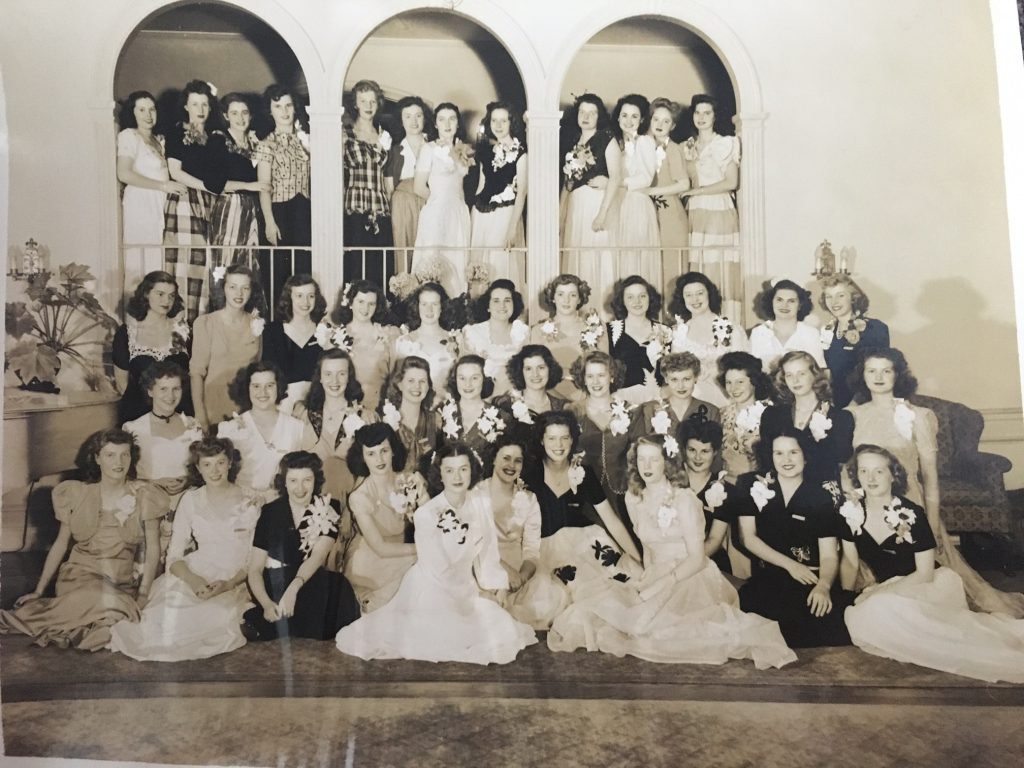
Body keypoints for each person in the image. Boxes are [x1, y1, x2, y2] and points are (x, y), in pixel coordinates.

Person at [548, 434, 796, 669]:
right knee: (597, 611)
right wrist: (647, 577)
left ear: (666, 462)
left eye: (654, 459)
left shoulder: (684, 499)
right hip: (656, 571)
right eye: (641, 459)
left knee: (657, 630)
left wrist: (663, 584)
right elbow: (647, 547)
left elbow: (697, 559)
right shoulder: (634, 499)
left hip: (688, 575)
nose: (647, 465)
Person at [845, 348, 1024, 617]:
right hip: (867, 505)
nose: (878, 377)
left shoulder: (918, 415)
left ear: (898, 375)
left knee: (926, 573)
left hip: (909, 503)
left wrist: (931, 520)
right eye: (872, 370)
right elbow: (845, 468)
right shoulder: (852, 416)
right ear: (863, 375)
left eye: (886, 370)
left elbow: (929, 475)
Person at [335, 443, 537, 664]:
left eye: (463, 469)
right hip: (433, 589)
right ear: (439, 474)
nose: (457, 477)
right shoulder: (427, 514)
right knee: (449, 636)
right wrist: (475, 593)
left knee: (504, 629)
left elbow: (487, 550)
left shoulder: (480, 502)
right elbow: (437, 570)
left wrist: (495, 586)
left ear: (473, 470)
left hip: (465, 585)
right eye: (449, 470)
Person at [840, 445, 1024, 683]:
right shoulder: (851, 514)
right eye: (864, 471)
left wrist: (879, 593)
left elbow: (925, 573)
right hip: (889, 591)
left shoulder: (912, 512)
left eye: (879, 471)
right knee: (859, 616)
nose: (871, 478)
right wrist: (845, 596)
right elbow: (849, 561)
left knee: (879, 611)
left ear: (893, 475)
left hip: (929, 584)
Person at [0, 429, 168, 650]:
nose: (118, 462)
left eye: (124, 455)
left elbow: (153, 548)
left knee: (117, 610)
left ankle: (77, 623)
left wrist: (144, 593)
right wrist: (39, 590)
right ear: (97, 459)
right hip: (80, 576)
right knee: (107, 603)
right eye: (110, 455)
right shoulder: (78, 494)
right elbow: (60, 544)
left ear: (131, 458)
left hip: (120, 583)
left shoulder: (145, 496)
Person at [108, 436, 261, 661]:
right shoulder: (191, 499)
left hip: (235, 579)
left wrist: (229, 584)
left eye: (220, 462)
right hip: (195, 572)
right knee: (161, 620)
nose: (214, 470)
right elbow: (175, 557)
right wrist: (194, 581)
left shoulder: (250, 499)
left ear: (230, 463)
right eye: (207, 465)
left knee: (214, 618)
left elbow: (254, 558)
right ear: (198, 468)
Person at [736, 431, 853, 648]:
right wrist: (790, 565)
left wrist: (824, 586)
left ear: (805, 456)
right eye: (778, 453)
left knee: (819, 629)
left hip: (810, 578)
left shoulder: (821, 495)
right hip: (770, 578)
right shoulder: (752, 485)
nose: (786, 460)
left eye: (793, 452)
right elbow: (748, 538)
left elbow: (829, 554)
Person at [243, 451, 360, 641]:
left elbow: (317, 557)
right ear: (284, 482)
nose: (300, 488)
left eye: (307, 480)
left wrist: (294, 589)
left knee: (338, 586)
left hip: (309, 578)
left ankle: (278, 625)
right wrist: (265, 603)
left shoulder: (329, 507)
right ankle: (269, 617)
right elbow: (255, 569)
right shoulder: (270, 512)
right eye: (293, 481)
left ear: (316, 480)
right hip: (277, 582)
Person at [461, 433, 544, 626]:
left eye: (518, 460)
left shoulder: (529, 499)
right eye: (506, 458)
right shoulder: (475, 495)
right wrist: (505, 573)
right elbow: (473, 543)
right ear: (494, 459)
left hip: (517, 570)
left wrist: (521, 577)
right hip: (480, 564)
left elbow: (532, 550)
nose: (511, 465)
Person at [163, 80, 227, 321]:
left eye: (205, 104)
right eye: (195, 104)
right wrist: (206, 187)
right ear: (186, 107)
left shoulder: (214, 136)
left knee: (208, 265)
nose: (200, 109)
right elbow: (175, 171)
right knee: (185, 265)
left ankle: (200, 327)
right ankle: (180, 326)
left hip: (208, 203)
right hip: (185, 201)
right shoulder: (177, 131)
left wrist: (211, 190)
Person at [343, 424, 423, 612]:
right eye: (371, 454)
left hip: (402, 552)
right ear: (362, 458)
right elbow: (380, 548)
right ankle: (371, 604)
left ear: (393, 451)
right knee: (420, 570)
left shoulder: (408, 481)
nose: (379, 459)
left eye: (384, 451)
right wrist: (423, 550)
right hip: (372, 560)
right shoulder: (360, 496)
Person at [679, 94, 741, 321]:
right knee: (698, 265)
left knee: (717, 265)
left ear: (715, 116)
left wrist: (696, 192)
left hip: (717, 209)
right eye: (697, 112)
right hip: (694, 211)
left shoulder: (724, 143)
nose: (702, 117)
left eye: (707, 113)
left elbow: (731, 182)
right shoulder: (688, 145)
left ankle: (723, 323)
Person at [117, 91, 185, 288]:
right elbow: (124, 174)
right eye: (142, 110)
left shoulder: (158, 141)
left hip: (158, 205)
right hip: (140, 204)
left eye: (152, 109)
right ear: (133, 113)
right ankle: (135, 316)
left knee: (157, 262)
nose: (148, 115)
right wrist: (163, 186)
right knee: (140, 262)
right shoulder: (129, 136)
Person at [560, 94, 619, 317]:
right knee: (577, 255)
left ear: (599, 116)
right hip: (577, 205)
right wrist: (560, 213)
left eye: (592, 113)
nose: (586, 117)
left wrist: (602, 214)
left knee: (597, 255)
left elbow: (615, 178)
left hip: (596, 204)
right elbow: (568, 184)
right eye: (582, 112)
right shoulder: (573, 142)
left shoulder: (606, 138)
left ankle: (600, 316)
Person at [760, 350, 853, 485]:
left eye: (801, 374)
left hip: (822, 493)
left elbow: (841, 459)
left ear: (815, 375)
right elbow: (767, 460)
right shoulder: (772, 415)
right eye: (789, 375)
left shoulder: (840, 417)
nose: (795, 380)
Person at [567, 351, 637, 529]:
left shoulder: (629, 411)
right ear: (583, 379)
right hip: (585, 496)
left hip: (622, 494)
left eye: (601, 375)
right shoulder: (572, 412)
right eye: (590, 376)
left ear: (612, 377)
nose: (595, 382)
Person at [254, 84, 311, 298]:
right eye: (278, 106)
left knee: (304, 270)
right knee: (280, 273)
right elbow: (264, 186)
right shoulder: (266, 144)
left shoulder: (305, 140)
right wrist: (269, 221)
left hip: (304, 210)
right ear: (270, 111)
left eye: (288, 105)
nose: (284, 111)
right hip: (280, 212)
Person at [113, 270, 192, 423]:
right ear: (146, 294)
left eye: (171, 295)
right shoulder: (127, 334)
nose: (166, 301)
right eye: (160, 294)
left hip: (180, 413)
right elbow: (122, 384)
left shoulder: (184, 331)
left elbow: (193, 377)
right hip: (137, 414)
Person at [191, 264, 264, 428]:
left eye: (245, 288)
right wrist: (200, 415)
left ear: (251, 291)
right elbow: (196, 374)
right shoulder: (206, 323)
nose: (239, 294)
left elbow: (257, 368)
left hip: (248, 409)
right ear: (223, 288)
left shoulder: (257, 325)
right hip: (213, 408)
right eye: (233, 287)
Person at [411, 102, 473, 298]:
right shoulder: (428, 149)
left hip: (458, 212)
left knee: (456, 261)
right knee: (432, 260)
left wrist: (453, 151)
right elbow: (418, 187)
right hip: (435, 213)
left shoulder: (464, 148)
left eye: (452, 119)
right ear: (435, 124)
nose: (447, 124)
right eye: (442, 119)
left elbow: (463, 173)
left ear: (457, 123)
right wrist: (438, 202)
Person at [300, 348, 376, 504]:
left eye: (341, 374)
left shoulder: (365, 418)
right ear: (319, 377)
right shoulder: (303, 416)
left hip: (350, 503)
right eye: (328, 374)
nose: (334, 381)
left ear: (349, 377)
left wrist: (352, 506)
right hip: (307, 501)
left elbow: (371, 471)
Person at [218, 361, 303, 496]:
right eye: (256, 386)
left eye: (269, 386)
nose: (262, 392)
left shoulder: (297, 428)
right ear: (247, 388)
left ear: (278, 387)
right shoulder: (230, 429)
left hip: (281, 504)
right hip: (240, 503)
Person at [668, 271, 748, 408]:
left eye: (700, 293)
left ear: (709, 295)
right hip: (691, 402)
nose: (695, 300)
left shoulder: (732, 329)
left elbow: (745, 369)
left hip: (726, 400)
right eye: (689, 295)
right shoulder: (678, 334)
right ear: (682, 299)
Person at [469, 101, 527, 288]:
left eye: (503, 121)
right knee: (478, 262)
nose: (498, 125)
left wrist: (513, 228)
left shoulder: (521, 153)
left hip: (505, 213)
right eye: (494, 120)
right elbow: (481, 185)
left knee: (500, 261)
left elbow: (522, 192)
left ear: (511, 123)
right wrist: (473, 216)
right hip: (481, 213)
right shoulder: (485, 152)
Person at [208, 93, 268, 275]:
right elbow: (215, 182)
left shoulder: (255, 141)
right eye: (234, 113)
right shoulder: (218, 139)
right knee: (226, 261)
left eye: (244, 112)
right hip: (230, 206)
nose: (240, 118)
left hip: (252, 207)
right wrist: (250, 186)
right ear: (226, 116)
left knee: (250, 261)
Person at [343, 80, 393, 286]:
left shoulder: (384, 135)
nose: (368, 106)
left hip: (379, 204)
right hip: (356, 203)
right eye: (363, 101)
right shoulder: (346, 133)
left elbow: (387, 176)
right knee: (357, 264)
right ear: (355, 104)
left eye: (372, 101)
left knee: (379, 264)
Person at [529, 273, 608, 401]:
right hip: (549, 398)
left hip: (588, 397)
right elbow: (534, 370)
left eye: (572, 295)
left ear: (580, 299)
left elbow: (606, 368)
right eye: (560, 294)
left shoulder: (596, 326)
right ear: (553, 298)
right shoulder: (538, 331)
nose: (566, 300)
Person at [818, 274, 890, 408]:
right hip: (834, 403)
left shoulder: (874, 329)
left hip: (864, 404)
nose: (834, 302)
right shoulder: (826, 331)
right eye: (829, 296)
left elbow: (877, 372)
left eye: (840, 295)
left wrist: (854, 406)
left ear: (853, 298)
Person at [610, 94, 660, 287]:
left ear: (642, 120)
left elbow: (646, 178)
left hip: (636, 204)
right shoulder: (615, 143)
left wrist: (615, 183)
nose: (629, 121)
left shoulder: (645, 142)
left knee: (635, 257)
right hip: (618, 204)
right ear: (618, 117)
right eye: (624, 115)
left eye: (634, 116)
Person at [261, 274, 327, 414]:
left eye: (311, 296)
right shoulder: (272, 332)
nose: (305, 302)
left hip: (318, 405)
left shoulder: (325, 330)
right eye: (299, 296)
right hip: (281, 406)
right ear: (289, 298)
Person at [642, 98, 690, 287]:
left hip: (670, 214)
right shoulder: (642, 145)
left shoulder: (673, 149)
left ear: (673, 125)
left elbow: (684, 184)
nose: (660, 125)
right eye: (656, 119)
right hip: (648, 212)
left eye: (666, 121)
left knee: (671, 267)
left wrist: (652, 191)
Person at [328, 279, 397, 412]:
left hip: (380, 410)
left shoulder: (388, 335)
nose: (365, 309)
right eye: (361, 302)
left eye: (371, 304)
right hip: (346, 411)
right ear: (351, 303)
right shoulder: (336, 337)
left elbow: (396, 378)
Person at [680, 418, 737, 576]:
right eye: (692, 450)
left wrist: (686, 565)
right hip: (671, 557)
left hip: (708, 559)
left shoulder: (724, 490)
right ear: (684, 449)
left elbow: (715, 539)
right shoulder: (670, 481)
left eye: (705, 451)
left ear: (715, 452)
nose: (698, 457)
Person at [628, 352, 720, 444]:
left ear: (696, 378)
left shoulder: (711, 411)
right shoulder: (648, 410)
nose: (680, 386)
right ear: (666, 379)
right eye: (674, 380)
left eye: (686, 379)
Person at [607, 275, 674, 401]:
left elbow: (673, 372)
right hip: (620, 402)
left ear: (650, 298)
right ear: (622, 301)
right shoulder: (610, 331)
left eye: (642, 296)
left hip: (658, 401)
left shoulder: (665, 332)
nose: (637, 302)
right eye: (630, 297)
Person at [461, 279, 529, 396]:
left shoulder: (522, 332)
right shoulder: (473, 333)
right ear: (488, 306)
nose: (502, 306)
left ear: (514, 304)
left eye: (507, 300)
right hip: (481, 397)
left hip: (517, 398)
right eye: (496, 301)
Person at [392, 282, 461, 397]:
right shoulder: (403, 342)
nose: (429, 309)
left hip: (447, 409)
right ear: (417, 307)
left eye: (434, 304)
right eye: (424, 304)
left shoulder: (456, 340)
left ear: (442, 307)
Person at [436, 355, 507, 466]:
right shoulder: (442, 413)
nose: (467, 384)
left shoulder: (501, 417)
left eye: (474, 378)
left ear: (484, 379)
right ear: (455, 380)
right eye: (462, 378)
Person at [385, 96, 432, 265]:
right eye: (408, 116)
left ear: (425, 118)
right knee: (405, 251)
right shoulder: (395, 151)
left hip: (429, 200)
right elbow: (389, 187)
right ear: (401, 120)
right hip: (402, 204)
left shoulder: (434, 147)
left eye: (418, 115)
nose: (414, 121)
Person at [717, 351, 775, 483]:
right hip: (726, 487)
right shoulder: (721, 415)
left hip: (761, 488)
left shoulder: (771, 414)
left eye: (740, 382)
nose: (733, 388)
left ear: (753, 382)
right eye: (729, 382)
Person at [377, 356, 439, 474]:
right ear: (399, 384)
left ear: (428, 386)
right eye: (411, 381)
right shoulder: (383, 420)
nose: (417, 386)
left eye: (422, 381)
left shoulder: (436, 420)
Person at [749, 279, 826, 373]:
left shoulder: (811, 334)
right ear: (771, 302)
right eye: (779, 300)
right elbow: (751, 372)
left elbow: (819, 372)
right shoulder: (758, 333)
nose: (784, 305)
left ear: (800, 305)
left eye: (791, 301)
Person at [492, 344, 568, 439]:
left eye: (541, 368)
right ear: (520, 372)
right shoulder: (505, 405)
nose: (535, 374)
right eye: (528, 369)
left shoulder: (563, 408)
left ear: (550, 370)